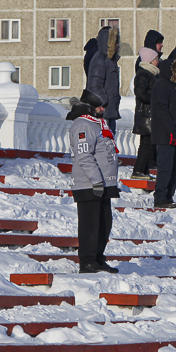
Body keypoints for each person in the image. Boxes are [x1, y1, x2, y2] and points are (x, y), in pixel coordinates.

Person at [67, 91, 120, 274]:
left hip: (103, 183)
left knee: (104, 223)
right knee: (90, 224)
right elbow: (84, 156)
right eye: (99, 106)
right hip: (89, 184)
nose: (102, 109)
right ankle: (88, 261)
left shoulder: (98, 123)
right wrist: (96, 180)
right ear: (89, 107)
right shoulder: (82, 125)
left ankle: (98, 258)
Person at [150, 55, 176, 209]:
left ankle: (168, 196)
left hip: (173, 134)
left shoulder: (173, 87)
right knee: (165, 166)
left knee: (173, 168)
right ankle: (160, 197)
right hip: (165, 135)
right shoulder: (162, 85)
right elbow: (161, 111)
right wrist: (172, 131)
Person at [85, 25, 121, 135]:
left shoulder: (110, 60)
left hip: (109, 112)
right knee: (103, 145)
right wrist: (104, 102)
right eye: (114, 41)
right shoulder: (100, 59)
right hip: (102, 113)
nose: (117, 44)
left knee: (109, 145)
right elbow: (95, 85)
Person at [131, 47, 159, 179]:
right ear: (150, 61)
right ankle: (138, 171)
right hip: (145, 116)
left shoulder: (150, 74)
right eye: (156, 59)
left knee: (148, 144)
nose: (158, 61)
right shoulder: (144, 74)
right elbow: (140, 93)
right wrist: (155, 100)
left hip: (149, 115)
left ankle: (144, 171)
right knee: (146, 145)